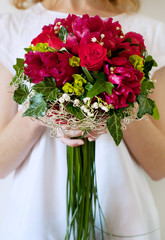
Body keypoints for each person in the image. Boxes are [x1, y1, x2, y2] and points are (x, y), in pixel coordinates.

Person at [0, 0, 165, 239]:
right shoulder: (10, 28)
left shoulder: (151, 33)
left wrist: (119, 99)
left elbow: (159, 165)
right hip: (36, 221)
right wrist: (45, 110)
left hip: (124, 221)